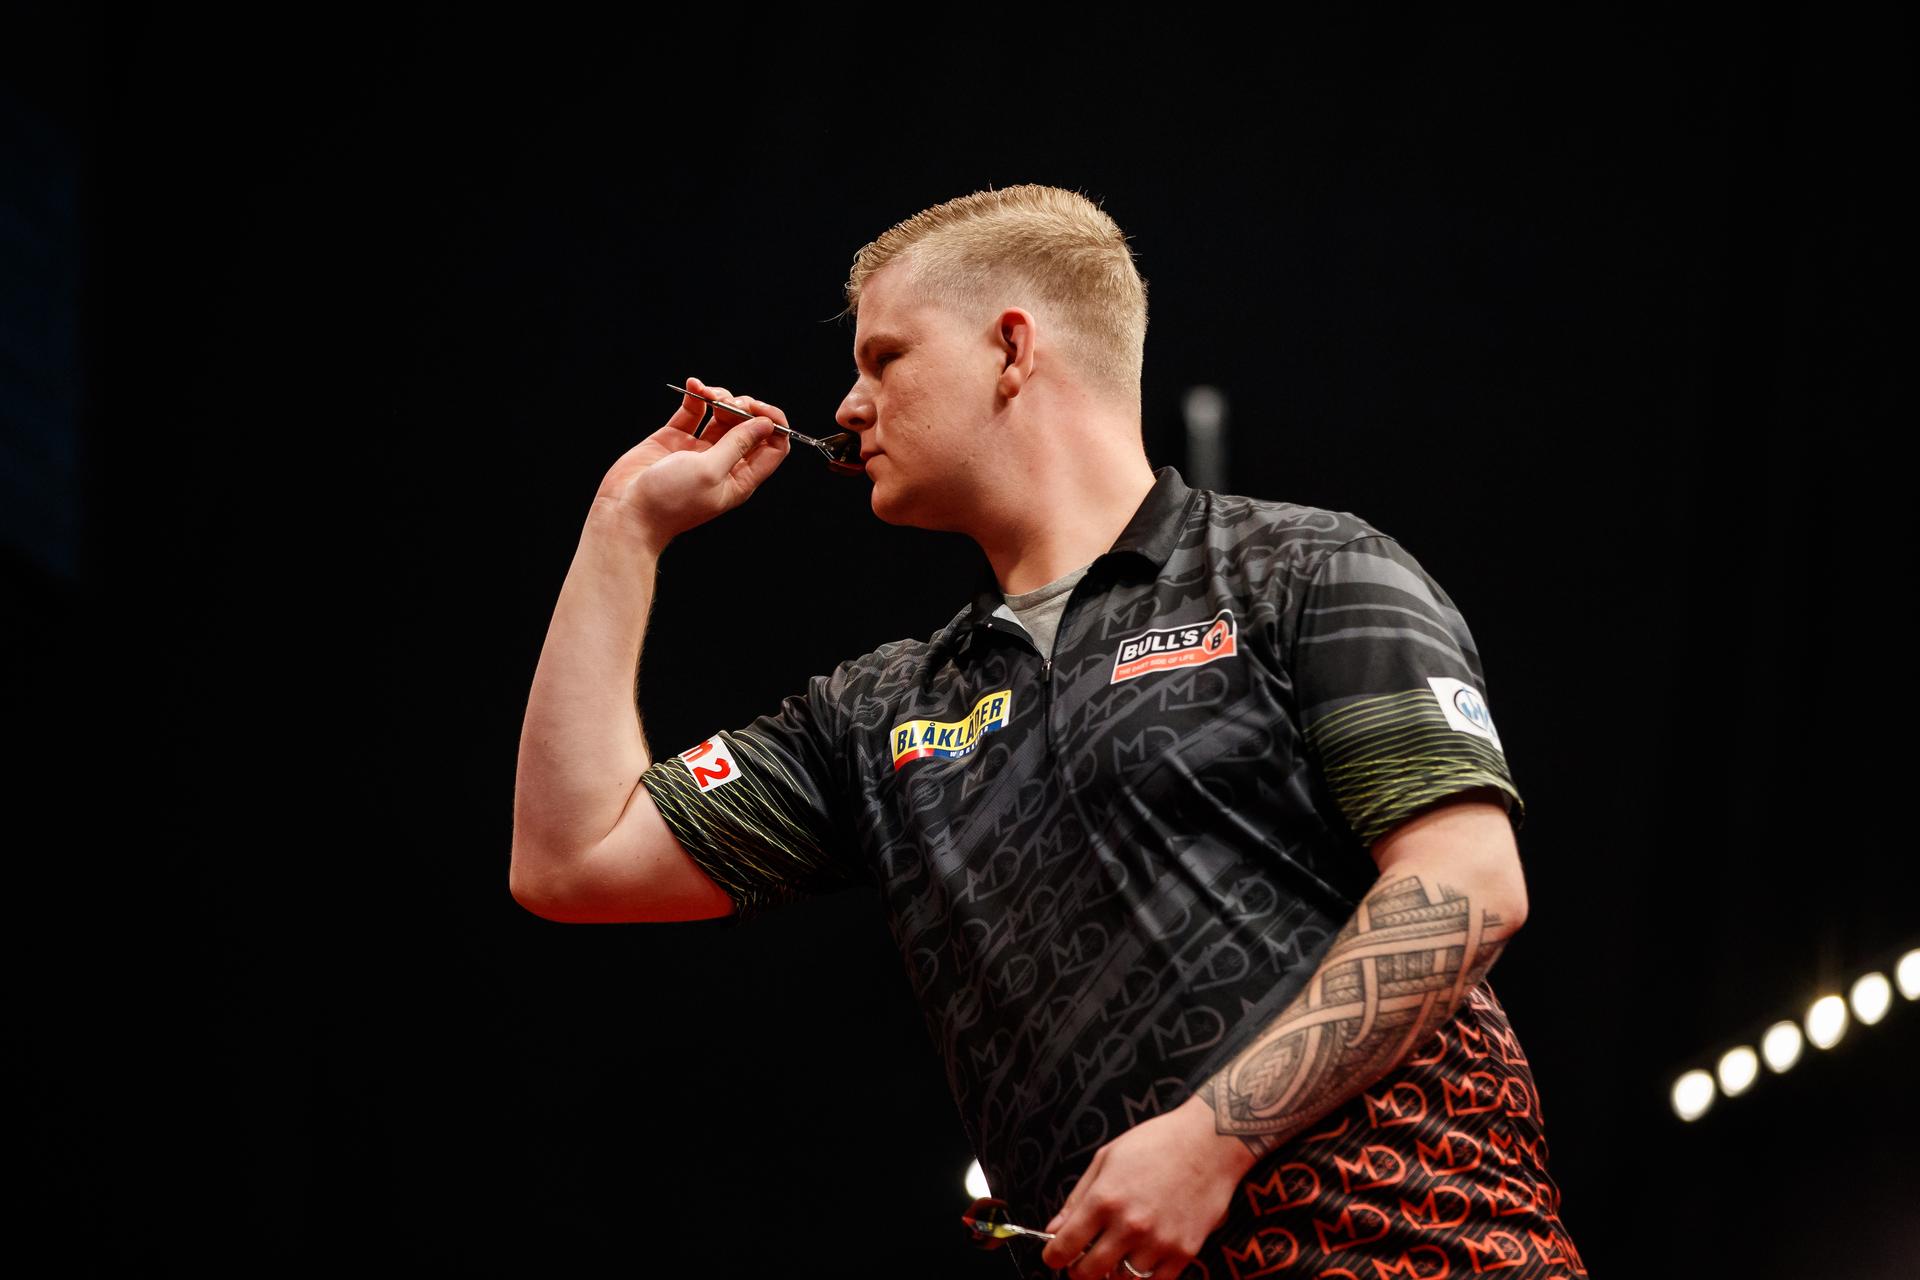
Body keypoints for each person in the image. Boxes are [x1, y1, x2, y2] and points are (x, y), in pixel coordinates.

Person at [510, 184, 1586, 1279]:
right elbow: (572, 857)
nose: (846, 404)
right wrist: (622, 529)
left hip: (1432, 1247)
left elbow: (1468, 881)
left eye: (884, 358)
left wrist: (1215, 1136)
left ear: (1011, 348)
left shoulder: (1305, 570)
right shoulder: (882, 708)